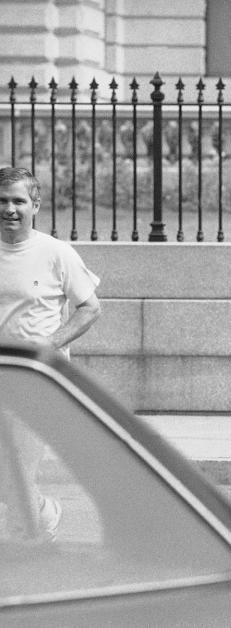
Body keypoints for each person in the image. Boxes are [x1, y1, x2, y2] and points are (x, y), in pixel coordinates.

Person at [0, 166, 102, 541]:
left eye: (18, 201)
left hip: (37, 381)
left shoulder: (57, 253)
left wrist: (51, 342)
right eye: (2, 200)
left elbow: (90, 307)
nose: (10, 209)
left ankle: (28, 556)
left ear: (35, 205)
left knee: (18, 477)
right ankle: (42, 515)